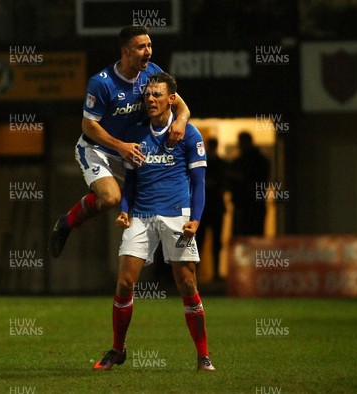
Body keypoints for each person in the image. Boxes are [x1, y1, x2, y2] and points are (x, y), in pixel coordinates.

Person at [93, 72, 215, 372]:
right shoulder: (135, 134)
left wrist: (196, 221)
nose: (150, 99)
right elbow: (131, 180)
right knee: (124, 283)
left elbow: (199, 184)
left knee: (186, 283)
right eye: (148, 95)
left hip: (177, 214)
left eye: (157, 95)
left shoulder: (189, 134)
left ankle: (203, 356)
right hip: (143, 215)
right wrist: (124, 208)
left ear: (171, 99)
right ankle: (118, 349)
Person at [49, 25, 191, 258]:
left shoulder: (152, 73)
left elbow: (181, 106)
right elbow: (88, 126)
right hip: (97, 149)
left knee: (160, 188)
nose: (148, 51)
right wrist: (120, 146)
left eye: (149, 45)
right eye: (141, 47)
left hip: (130, 151)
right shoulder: (102, 83)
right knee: (111, 198)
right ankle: (66, 222)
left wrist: (181, 121)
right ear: (125, 52)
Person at [195, 138, 226, 281]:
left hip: (213, 208)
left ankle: (214, 273)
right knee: (199, 241)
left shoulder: (217, 163)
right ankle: (197, 272)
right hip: (206, 208)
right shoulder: (213, 163)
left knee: (215, 242)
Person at [229, 132, 269, 236]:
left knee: (242, 237)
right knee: (255, 237)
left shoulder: (239, 163)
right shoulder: (262, 161)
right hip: (254, 205)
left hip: (245, 205)